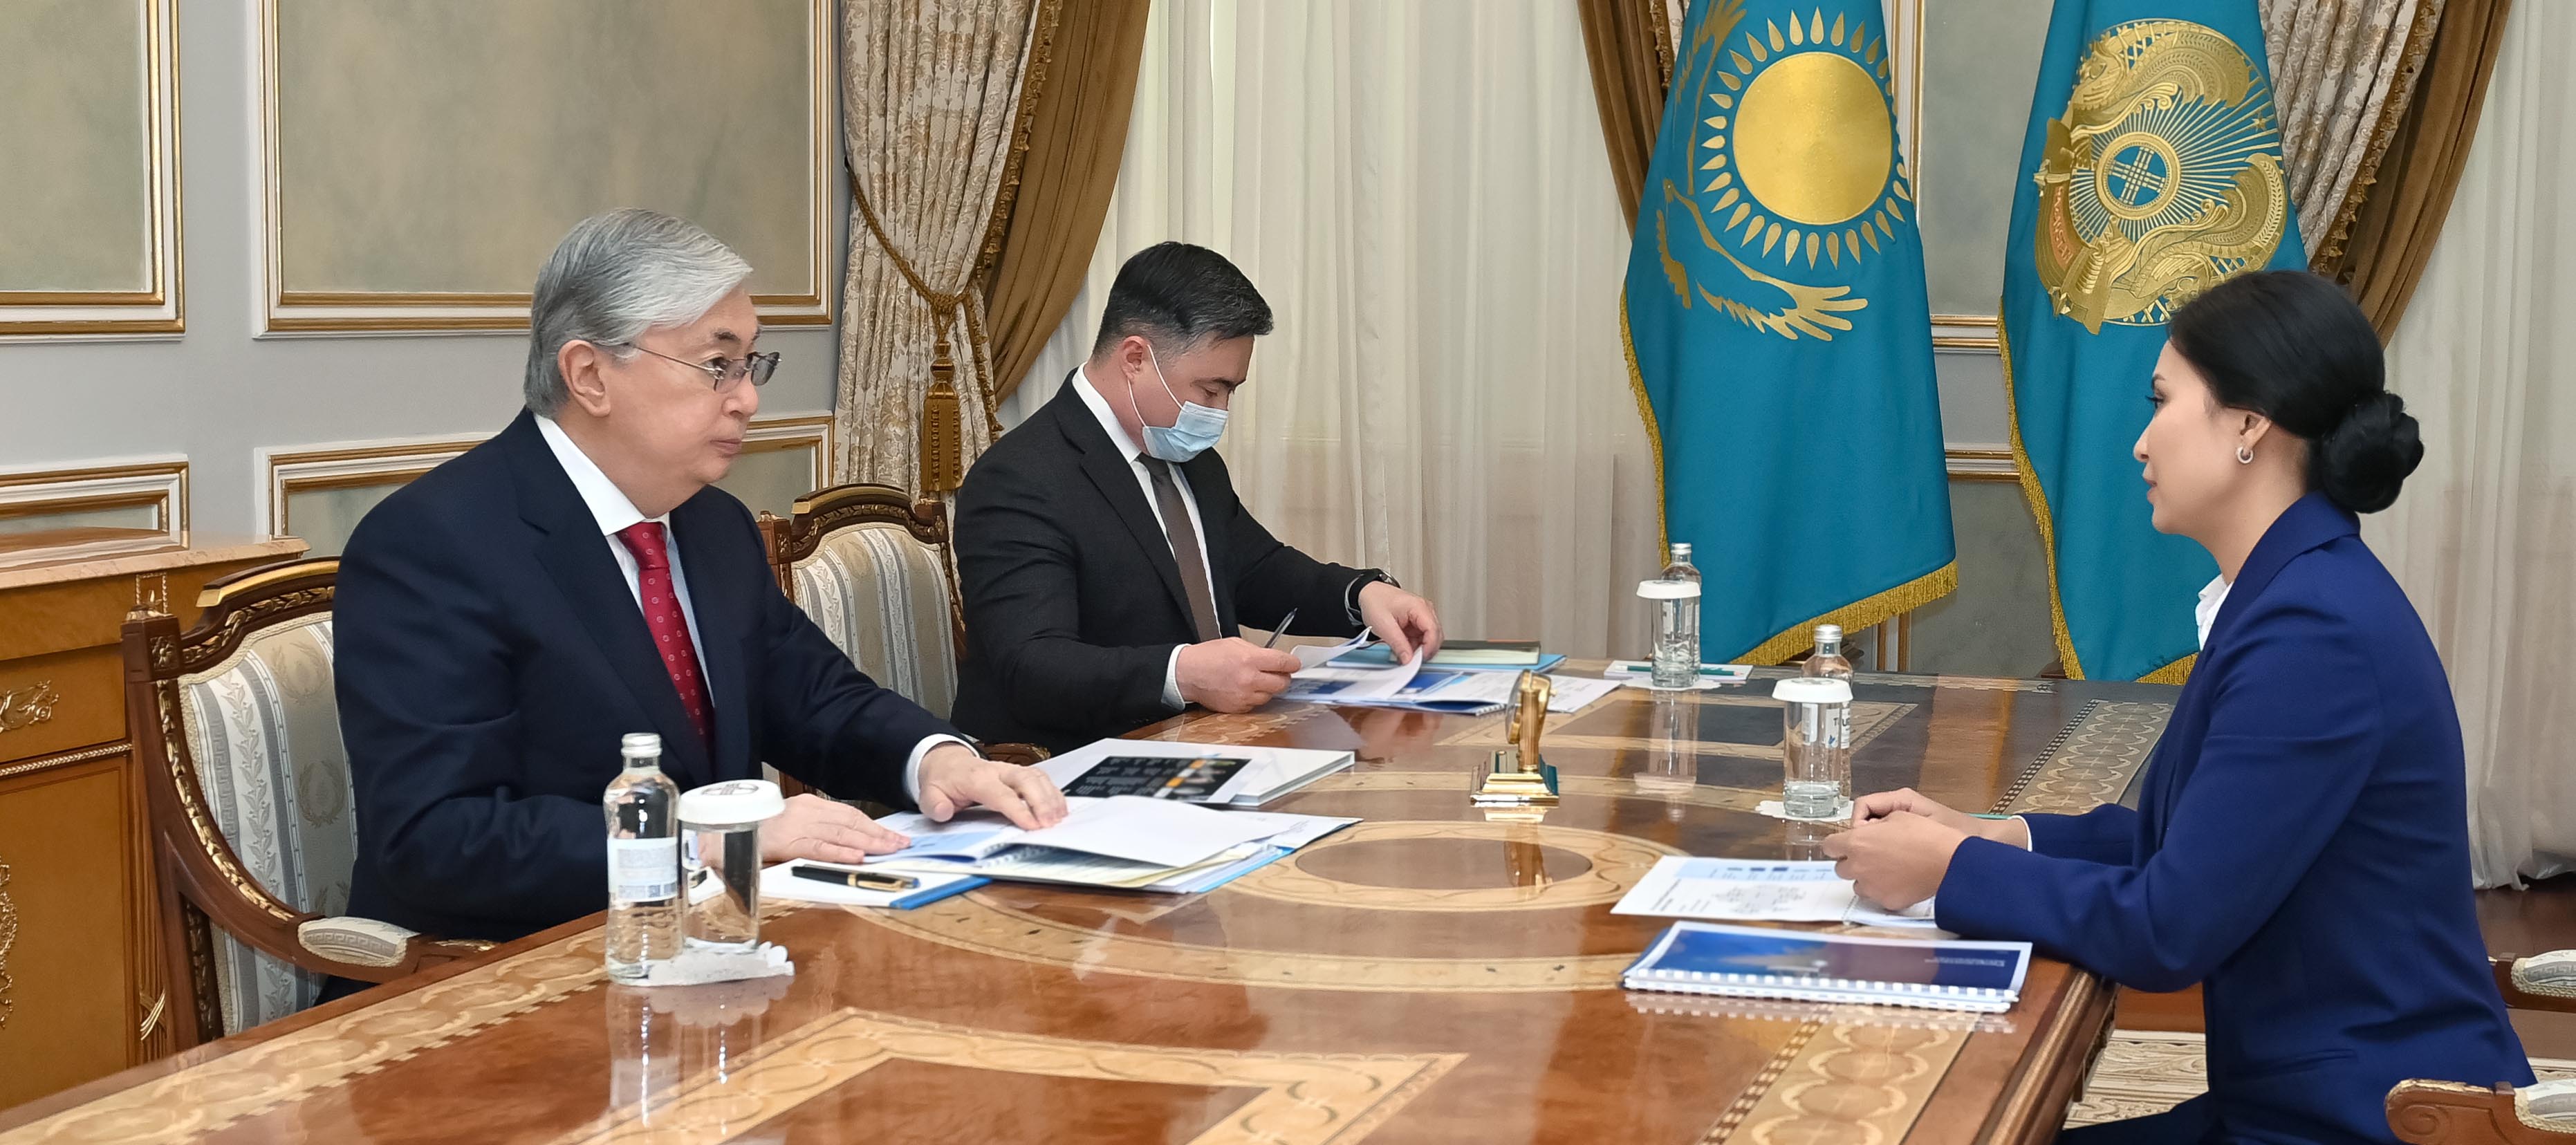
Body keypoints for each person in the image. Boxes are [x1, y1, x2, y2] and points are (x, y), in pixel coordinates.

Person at [1824, 271, 2528, 1144]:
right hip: (2313, 1100)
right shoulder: (2297, 592)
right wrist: (1994, 835)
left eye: (2161, 402)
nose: (2139, 442)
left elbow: (2167, 928)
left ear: (2247, 425)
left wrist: (1948, 870)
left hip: (2369, 1121)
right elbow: (2199, 844)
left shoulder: (2313, 634)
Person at [334, 210, 1066, 956]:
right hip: (510, 968)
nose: (747, 399)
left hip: (715, 945)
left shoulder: (710, 523)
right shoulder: (434, 544)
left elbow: (813, 697)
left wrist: (937, 759)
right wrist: (711, 842)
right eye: (718, 365)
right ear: (589, 375)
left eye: (752, 364)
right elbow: (438, 836)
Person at [950, 242, 1443, 752]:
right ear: (1135, 358)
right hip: (1074, 762)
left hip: (1209, 743)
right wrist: (1182, 674)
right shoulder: (1019, 478)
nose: (1220, 411)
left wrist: (1362, 595)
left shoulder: (1186, 456)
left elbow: (1255, 571)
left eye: (1231, 391)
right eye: (1209, 390)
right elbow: (1032, 665)